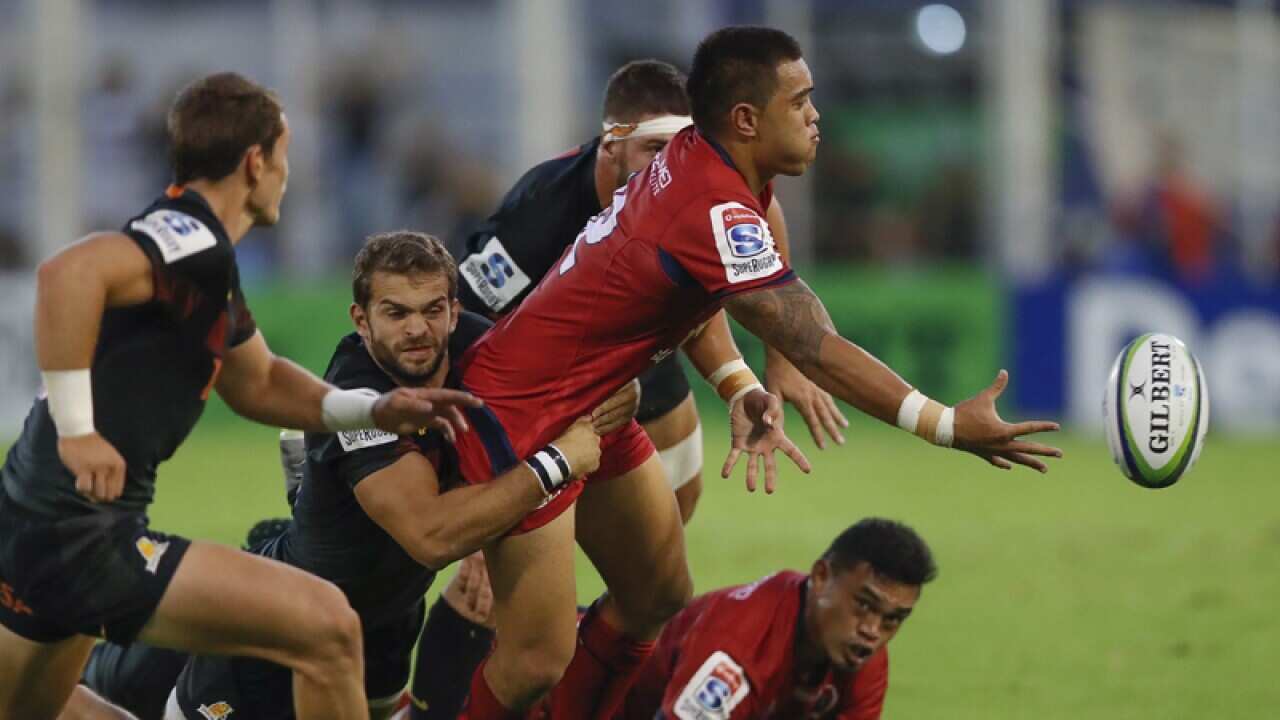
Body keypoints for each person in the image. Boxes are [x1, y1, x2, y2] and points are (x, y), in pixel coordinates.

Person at [450, 26, 1062, 720]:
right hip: (524, 415)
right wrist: (946, 424)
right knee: (533, 660)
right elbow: (815, 342)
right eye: (799, 101)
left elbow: (735, 257)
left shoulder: (706, 162)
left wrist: (742, 380)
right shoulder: (709, 206)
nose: (815, 116)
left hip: (595, 404)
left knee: (655, 595)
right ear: (746, 119)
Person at [0, 73, 478, 720]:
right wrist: (79, 428)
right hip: (85, 534)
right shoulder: (191, 239)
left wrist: (371, 409)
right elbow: (67, 273)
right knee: (329, 628)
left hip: (31, 522)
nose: (287, 173)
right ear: (256, 161)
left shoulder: (201, 258)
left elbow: (259, 382)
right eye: (284, 156)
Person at [457, 59, 847, 525]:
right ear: (611, 147)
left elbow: (762, 223)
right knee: (495, 571)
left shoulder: (695, 184)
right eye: (653, 147)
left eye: (681, 146)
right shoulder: (540, 213)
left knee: (670, 530)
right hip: (535, 388)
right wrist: (483, 490)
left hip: (641, 363)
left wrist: (776, 363)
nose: (668, 163)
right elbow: (468, 320)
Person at [619, 517, 935, 720]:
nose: (873, 631)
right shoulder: (737, 647)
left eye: (893, 620)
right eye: (864, 605)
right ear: (822, 576)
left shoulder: (862, 654)